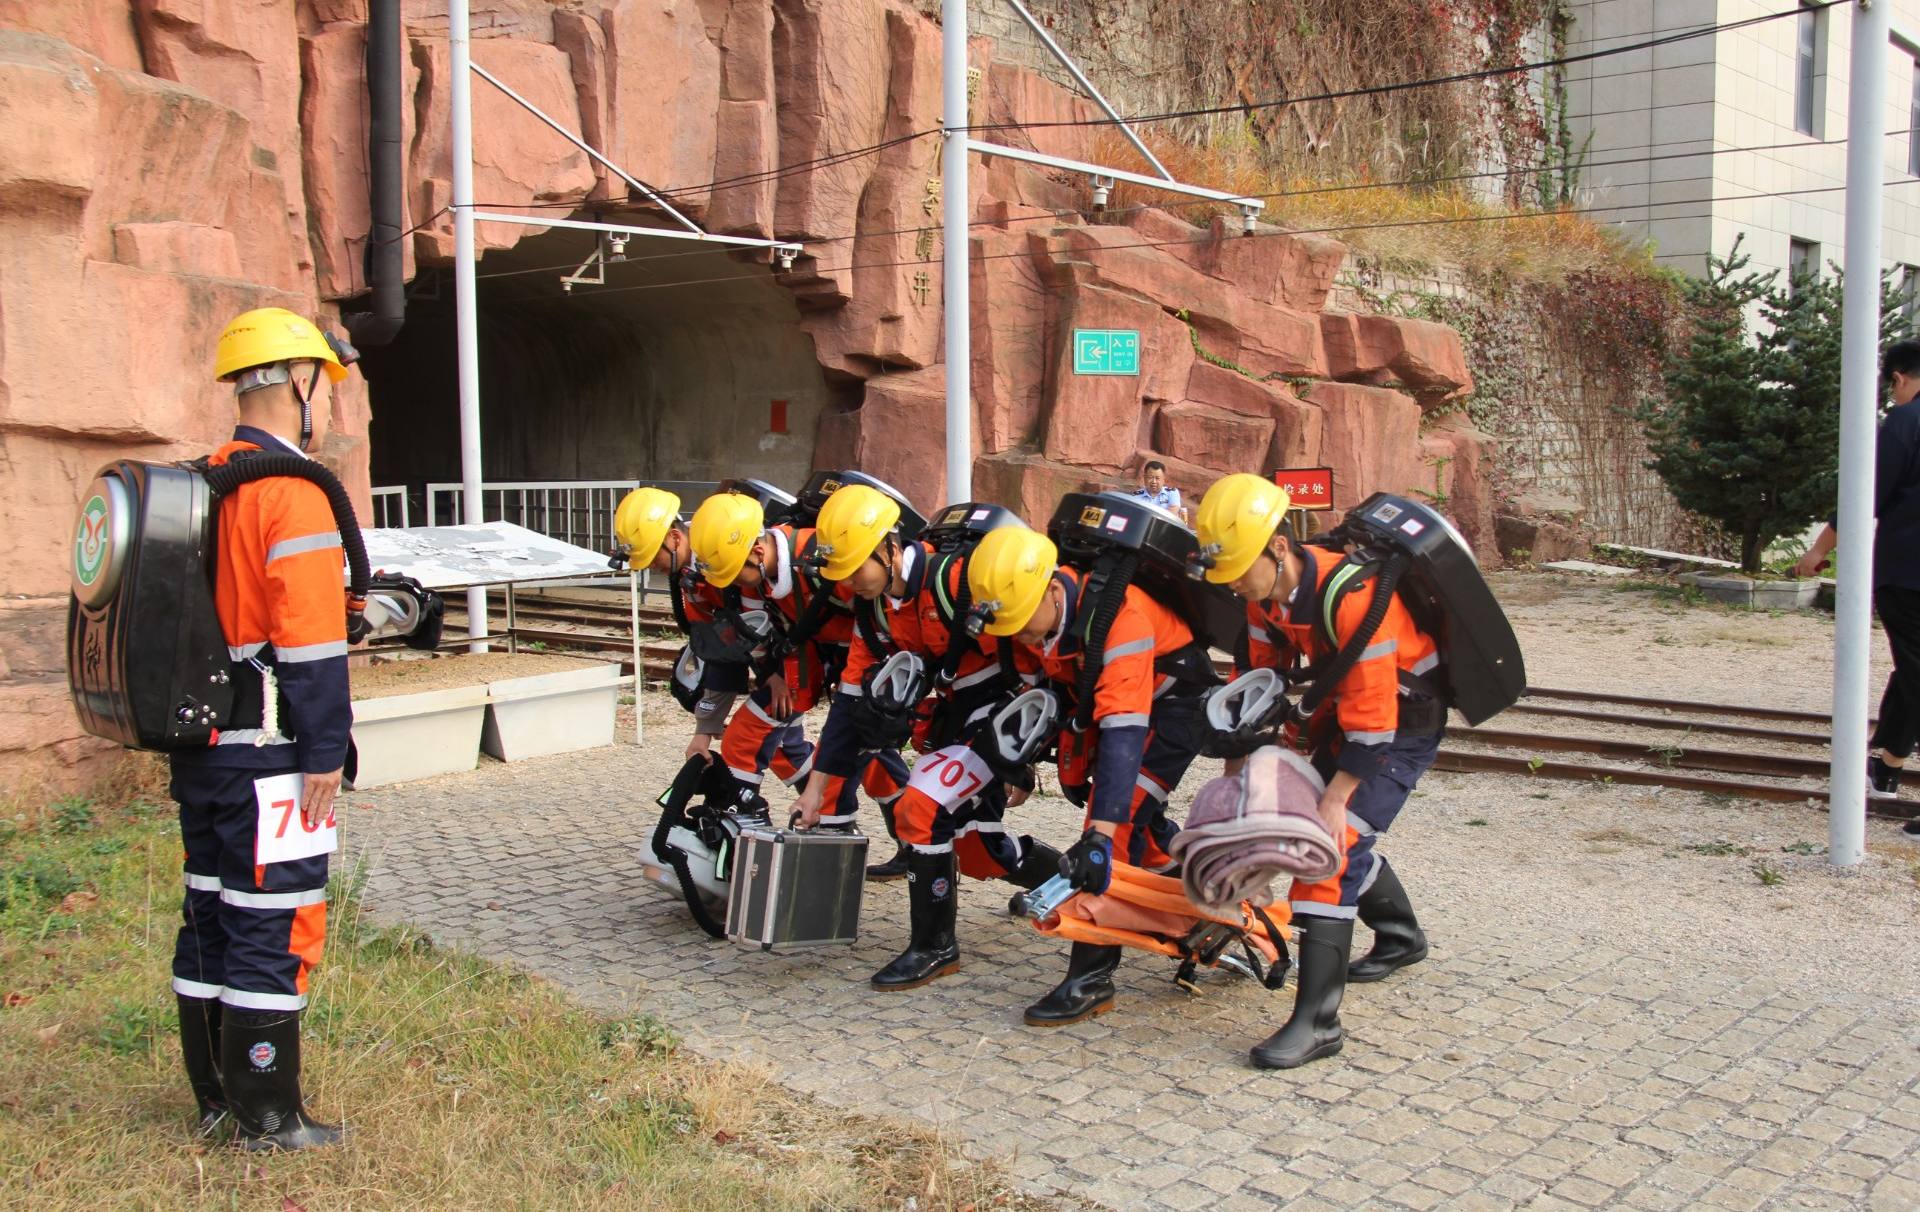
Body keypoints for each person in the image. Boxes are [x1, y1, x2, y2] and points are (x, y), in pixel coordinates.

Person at [169, 308, 355, 1149]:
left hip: (203, 753)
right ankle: (269, 1116)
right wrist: (324, 751)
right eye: (325, 384)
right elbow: (310, 642)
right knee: (274, 920)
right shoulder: (292, 492)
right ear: (299, 382)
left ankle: (215, 1100)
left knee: (210, 914)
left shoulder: (206, 482)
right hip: (271, 759)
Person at [1194, 473, 1446, 1069]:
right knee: (1331, 832)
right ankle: (1402, 936)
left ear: (1278, 547)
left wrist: (1335, 799)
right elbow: (1258, 679)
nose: (1232, 583)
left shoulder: (1354, 597)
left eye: (1239, 569)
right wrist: (1237, 767)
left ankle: (1319, 1023)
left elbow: (1375, 714)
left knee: (1331, 847)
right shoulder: (1261, 597)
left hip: (1401, 724)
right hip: (1346, 715)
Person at [790, 486, 1060, 989]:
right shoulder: (873, 609)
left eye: (855, 568)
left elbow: (1035, 665)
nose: (847, 582)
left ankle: (934, 947)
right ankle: (1067, 880)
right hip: (955, 721)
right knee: (979, 851)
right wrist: (816, 790)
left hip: (996, 718)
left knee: (920, 808)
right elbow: (849, 703)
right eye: (839, 572)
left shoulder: (957, 582)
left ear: (890, 548)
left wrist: (1024, 758)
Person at [966, 524, 1217, 1026]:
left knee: (1115, 825)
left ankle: (1090, 978)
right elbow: (1038, 692)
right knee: (1141, 825)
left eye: (1024, 623)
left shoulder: (1121, 616)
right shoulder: (1026, 612)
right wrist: (1019, 765)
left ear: (1052, 589)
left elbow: (1125, 732)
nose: (1020, 635)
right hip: (1113, 702)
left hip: (1174, 709)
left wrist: (1099, 836)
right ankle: (1206, 894)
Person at [1797, 339, 1920, 833]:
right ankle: (1886, 765)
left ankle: (1885, 765)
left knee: (1917, 671)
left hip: (1908, 572)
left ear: (1900, 379)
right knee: (1912, 670)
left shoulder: (1905, 423)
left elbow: (1864, 495)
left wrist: (1818, 550)